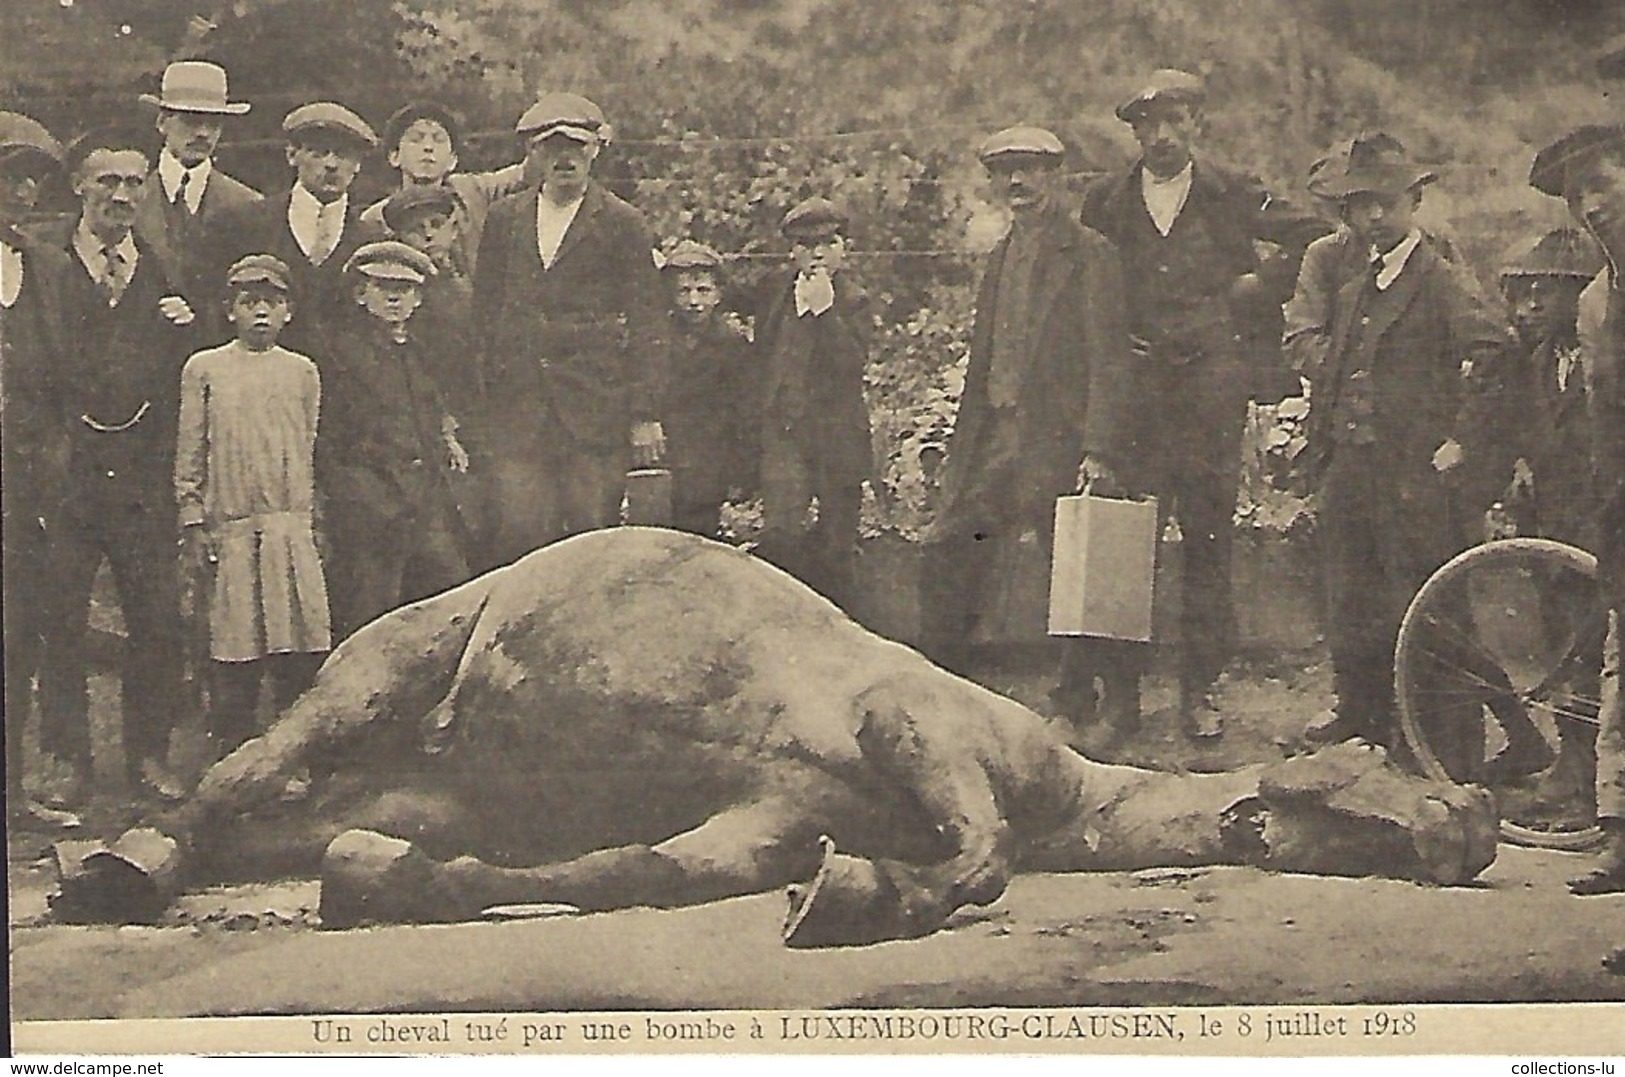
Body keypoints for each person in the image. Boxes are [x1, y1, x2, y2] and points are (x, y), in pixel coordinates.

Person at [1078, 69, 1329, 739]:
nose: (1161, 136)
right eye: (1147, 125)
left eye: (1175, 121)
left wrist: (1253, 287)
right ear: (1132, 131)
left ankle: (1199, 689)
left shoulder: (1231, 191)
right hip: (1135, 397)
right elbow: (1088, 280)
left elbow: (1315, 234)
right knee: (1120, 546)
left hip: (1209, 393)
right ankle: (1121, 696)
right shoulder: (1105, 200)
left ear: (1196, 124)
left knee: (1208, 541)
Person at [1282, 132, 1509, 761]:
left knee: (1428, 610)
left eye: (1385, 203)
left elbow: (1495, 352)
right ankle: (1367, 735)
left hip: (1414, 475)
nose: (1374, 217)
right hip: (1354, 469)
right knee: (1352, 603)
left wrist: (1462, 439)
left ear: (1413, 201)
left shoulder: (1438, 278)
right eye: (1360, 206)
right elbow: (1329, 368)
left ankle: (1448, 752)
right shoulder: (1357, 289)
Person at [918, 126, 1130, 735]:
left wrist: (1098, 447)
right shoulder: (1001, 257)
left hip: (1058, 437)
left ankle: (1081, 700)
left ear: (1055, 176)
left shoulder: (1091, 254)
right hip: (997, 436)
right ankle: (946, 691)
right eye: (1005, 171)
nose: (1017, 183)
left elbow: (1109, 357)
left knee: (1073, 563)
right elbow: (986, 357)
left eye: (1030, 170)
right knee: (948, 546)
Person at [38, 128, 203, 804]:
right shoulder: (45, 264)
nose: (122, 196)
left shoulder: (158, 267)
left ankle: (148, 755)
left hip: (140, 474)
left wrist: (184, 324)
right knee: (62, 616)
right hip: (68, 471)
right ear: (79, 186)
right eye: (107, 181)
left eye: (134, 183)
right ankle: (66, 758)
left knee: (157, 618)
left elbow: (177, 374)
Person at [474, 92, 669, 563]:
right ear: (533, 153)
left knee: (590, 542)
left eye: (576, 147)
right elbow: (484, 313)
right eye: (551, 148)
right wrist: (482, 399)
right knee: (519, 538)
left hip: (593, 408)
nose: (565, 158)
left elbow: (649, 322)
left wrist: (644, 413)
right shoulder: (504, 220)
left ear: (596, 149)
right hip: (519, 410)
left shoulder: (623, 222)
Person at [175, 254, 330, 761]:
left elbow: (307, 443)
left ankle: (293, 758)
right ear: (229, 310)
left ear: (289, 311)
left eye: (273, 301)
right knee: (235, 645)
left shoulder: (302, 371)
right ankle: (233, 753)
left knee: (296, 645)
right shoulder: (205, 368)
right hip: (233, 529)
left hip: (288, 528)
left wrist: (307, 520)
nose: (261, 312)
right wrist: (194, 519)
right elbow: (191, 450)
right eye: (249, 302)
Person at [1528, 122, 1625, 896]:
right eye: (1578, 194)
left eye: (1602, 182)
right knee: (1619, 665)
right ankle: (1620, 837)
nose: (1592, 204)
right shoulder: (1596, 301)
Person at [318, 240, 471, 637]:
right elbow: (331, 441)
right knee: (370, 614)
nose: (393, 297)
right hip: (372, 505)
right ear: (359, 294)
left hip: (424, 499)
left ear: (418, 298)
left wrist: (447, 442)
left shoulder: (420, 352)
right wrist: (362, 495)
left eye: (404, 289)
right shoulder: (341, 354)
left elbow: (432, 416)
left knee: (451, 599)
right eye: (381, 286)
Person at [0, 112, 81, 829]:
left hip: (27, 488)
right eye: (11, 176)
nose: (22, 192)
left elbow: (64, 384)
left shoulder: (47, 268)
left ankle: (14, 791)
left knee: (19, 631)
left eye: (31, 180)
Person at [751, 197, 874, 609]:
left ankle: (843, 632)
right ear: (792, 250)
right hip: (784, 435)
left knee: (838, 545)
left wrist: (825, 311)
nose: (817, 253)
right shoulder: (775, 289)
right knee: (780, 535)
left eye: (828, 242)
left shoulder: (855, 299)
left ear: (844, 247)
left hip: (837, 441)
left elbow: (851, 364)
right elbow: (729, 295)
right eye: (806, 244)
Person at [217, 102, 381, 357]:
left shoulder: (372, 239)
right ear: (292, 155)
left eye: (342, 154)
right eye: (318, 152)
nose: (331, 164)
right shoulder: (246, 224)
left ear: (358, 164)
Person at [1493, 227, 1605, 548]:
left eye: (1544, 292)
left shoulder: (1608, 360)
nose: (1530, 307)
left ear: (1581, 291)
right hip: (1552, 533)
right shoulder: (1535, 363)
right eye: (1525, 294)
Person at [134, 61, 262, 318]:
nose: (203, 133)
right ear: (162, 122)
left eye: (214, 123)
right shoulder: (130, 198)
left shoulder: (249, 204)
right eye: (191, 120)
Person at [360, 101, 527, 278]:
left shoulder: (472, 191)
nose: (428, 147)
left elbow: (527, 172)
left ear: (452, 160)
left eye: (439, 139)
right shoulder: (378, 218)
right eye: (416, 139)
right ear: (394, 156)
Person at [657, 239, 756, 537]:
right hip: (664, 454)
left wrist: (742, 469)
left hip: (709, 458)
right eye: (683, 291)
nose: (694, 301)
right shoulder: (657, 338)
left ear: (719, 294)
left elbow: (745, 408)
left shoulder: (733, 342)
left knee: (698, 535)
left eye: (703, 290)